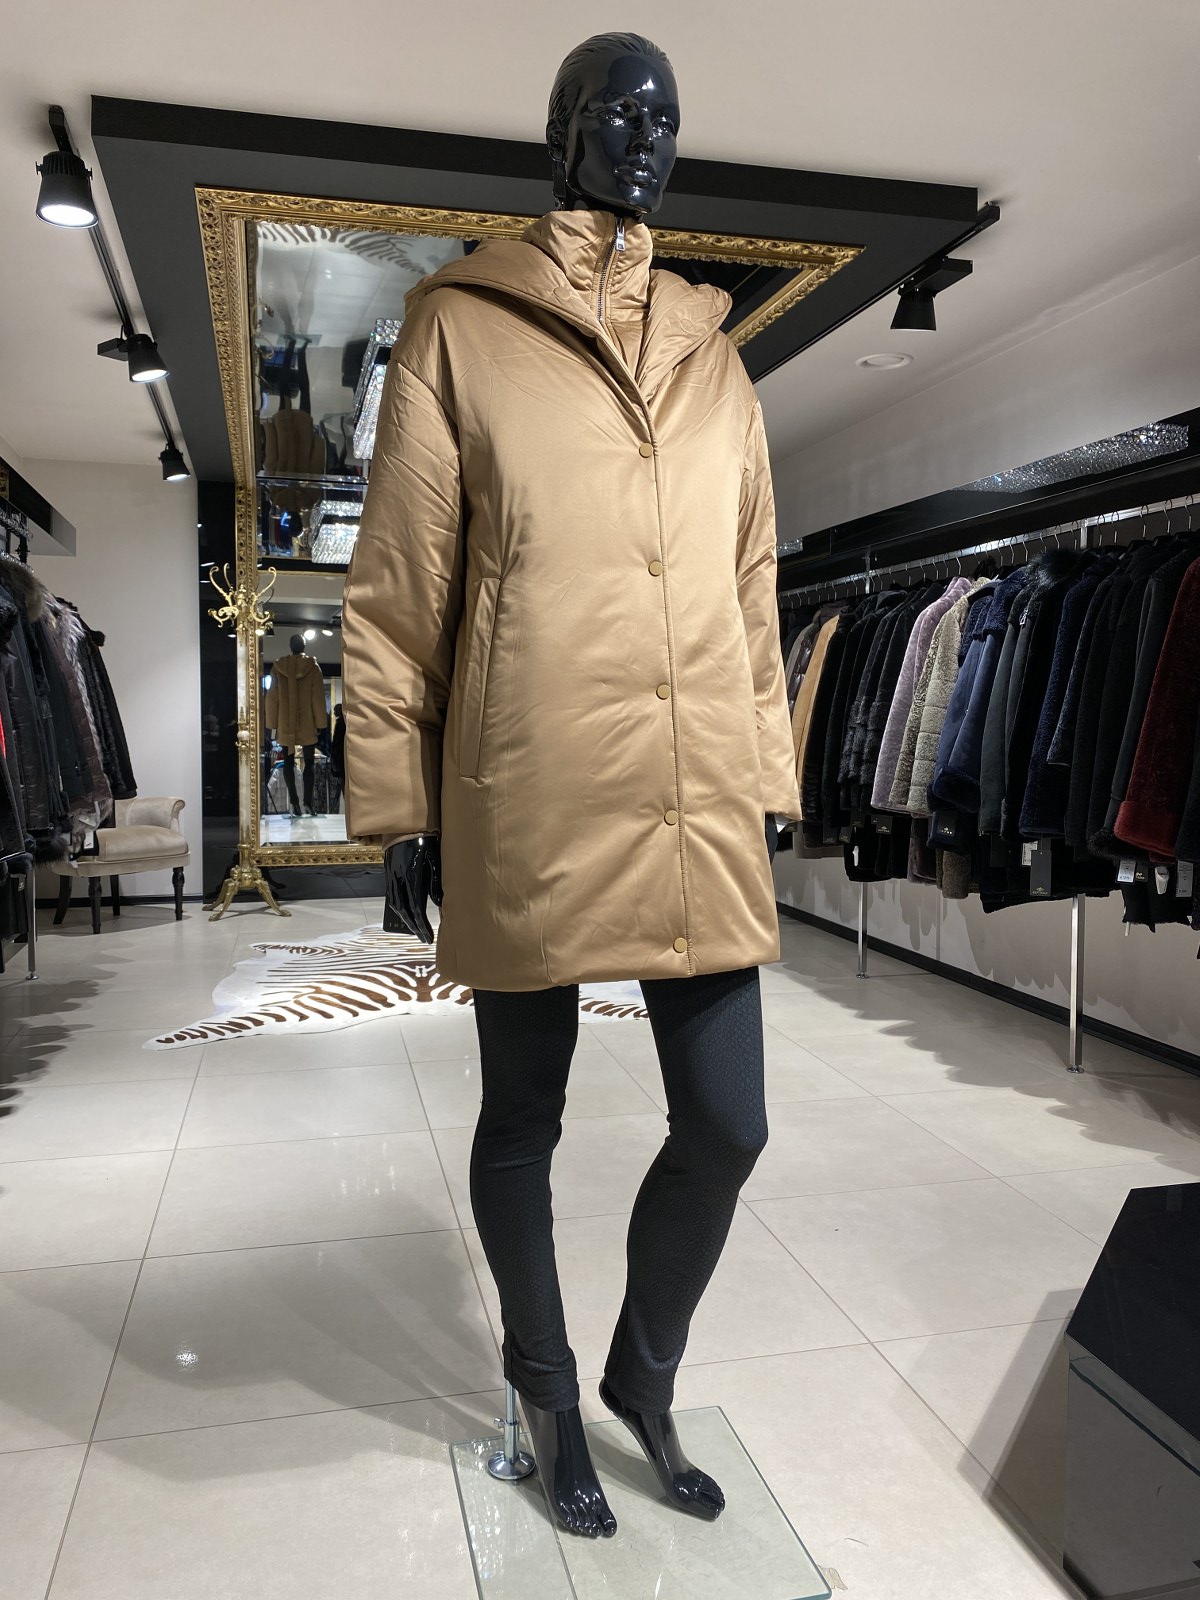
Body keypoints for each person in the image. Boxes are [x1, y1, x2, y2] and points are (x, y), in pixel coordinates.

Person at [342, 32, 799, 1539]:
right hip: (527, 777)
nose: (648, 138)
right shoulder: (460, 323)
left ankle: (640, 1380)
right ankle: (547, 1397)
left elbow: (750, 586)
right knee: (522, 1116)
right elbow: (403, 580)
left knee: (728, 1122)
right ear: (560, 134)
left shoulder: (716, 354)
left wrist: (766, 771)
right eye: (620, 112)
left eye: (670, 117)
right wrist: (402, 802)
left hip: (694, 787)